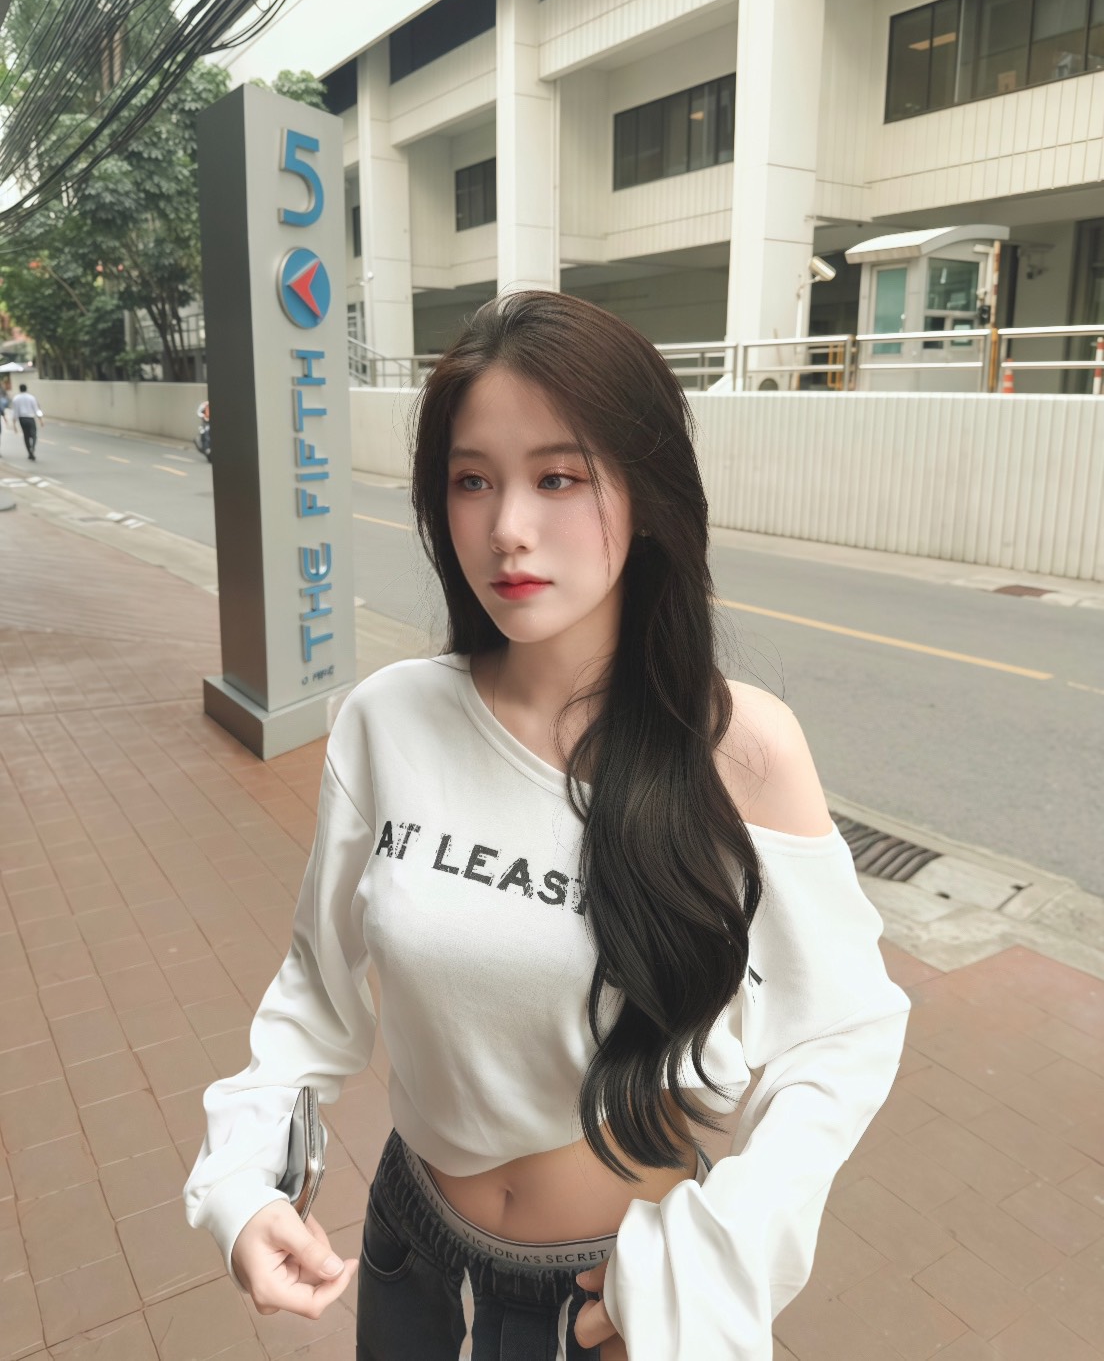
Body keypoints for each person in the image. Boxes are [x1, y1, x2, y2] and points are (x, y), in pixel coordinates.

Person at [183, 291, 911, 1360]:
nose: (507, 528)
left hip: (610, 1298)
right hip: (409, 1254)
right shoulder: (390, 719)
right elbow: (316, 988)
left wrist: (717, 1255)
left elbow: (842, 1033)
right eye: (472, 480)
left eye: (559, 478)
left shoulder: (738, 749)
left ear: (647, 494)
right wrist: (243, 1180)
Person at [10, 383, 44, 460]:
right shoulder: (31, 397)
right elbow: (36, 409)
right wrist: (40, 419)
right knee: (34, 435)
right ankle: (33, 447)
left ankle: (29, 452)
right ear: (26, 389)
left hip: (22, 419)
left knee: (26, 436)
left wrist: (14, 423)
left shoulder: (16, 398)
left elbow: (15, 411)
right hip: (30, 418)